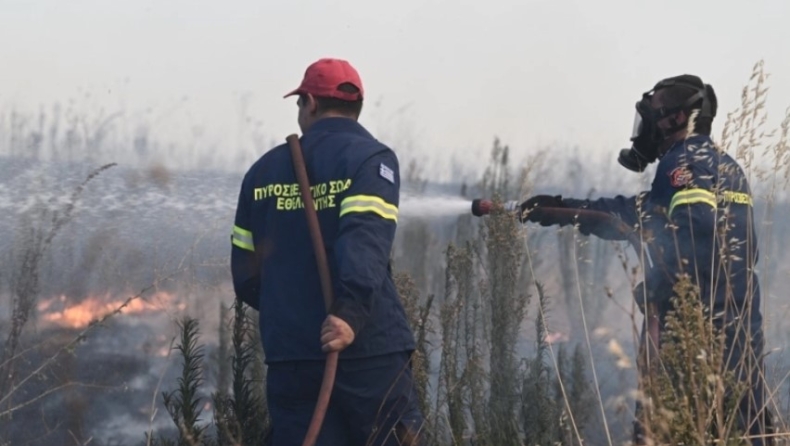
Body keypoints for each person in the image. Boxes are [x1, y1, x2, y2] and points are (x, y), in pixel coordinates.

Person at [518, 75, 772, 445]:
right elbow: (632, 214)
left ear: (675, 119)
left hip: (694, 333)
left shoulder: (682, 163)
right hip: (740, 331)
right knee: (744, 431)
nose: (645, 129)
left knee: (664, 431)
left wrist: (659, 289)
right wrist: (555, 209)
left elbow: (697, 230)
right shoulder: (724, 165)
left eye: (652, 116)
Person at [230, 58, 424, 446]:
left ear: (311, 103)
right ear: (358, 106)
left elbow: (247, 276)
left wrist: (293, 313)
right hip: (367, 353)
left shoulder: (263, 172)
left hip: (294, 360)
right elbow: (365, 241)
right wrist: (348, 316)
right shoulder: (370, 159)